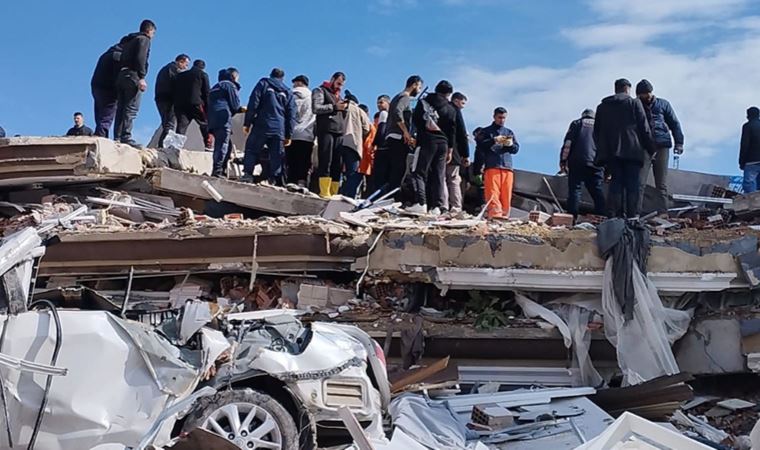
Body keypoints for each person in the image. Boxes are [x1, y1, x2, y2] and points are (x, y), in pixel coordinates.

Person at [593, 78, 655, 218]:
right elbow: (644, 128)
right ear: (628, 89)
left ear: (616, 89)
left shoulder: (602, 107)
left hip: (612, 153)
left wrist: (602, 150)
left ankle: (615, 216)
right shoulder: (634, 103)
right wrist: (651, 149)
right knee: (632, 185)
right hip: (633, 151)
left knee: (616, 184)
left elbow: (596, 132)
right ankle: (632, 217)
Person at [407, 80, 458, 215]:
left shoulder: (424, 102)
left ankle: (421, 203)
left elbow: (416, 120)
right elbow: (452, 130)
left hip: (426, 141)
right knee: (438, 175)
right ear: (449, 94)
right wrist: (450, 149)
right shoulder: (452, 108)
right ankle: (436, 206)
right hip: (444, 144)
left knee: (418, 171)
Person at [635, 79, 685, 214]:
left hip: (662, 145)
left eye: (647, 94)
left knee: (661, 184)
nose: (646, 97)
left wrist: (679, 142)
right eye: (643, 95)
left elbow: (674, 123)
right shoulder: (635, 105)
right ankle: (636, 213)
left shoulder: (663, 104)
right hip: (643, 146)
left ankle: (663, 213)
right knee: (640, 182)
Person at [242, 68, 297, 185]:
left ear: (271, 75)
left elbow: (253, 103)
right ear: (282, 78)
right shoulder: (288, 92)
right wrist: (288, 134)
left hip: (262, 125)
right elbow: (291, 114)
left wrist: (247, 123)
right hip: (279, 129)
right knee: (276, 155)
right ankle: (272, 180)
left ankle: (247, 175)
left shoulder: (263, 83)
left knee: (252, 150)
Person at [371, 76, 423, 198]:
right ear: (414, 84)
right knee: (398, 170)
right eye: (419, 87)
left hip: (393, 137)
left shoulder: (396, 97)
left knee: (395, 169)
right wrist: (405, 132)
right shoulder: (404, 97)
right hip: (398, 138)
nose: (419, 90)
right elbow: (397, 113)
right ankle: (392, 198)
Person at [114, 19, 156, 146]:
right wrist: (142, 77)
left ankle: (117, 136)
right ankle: (126, 136)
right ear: (149, 31)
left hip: (122, 75)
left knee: (121, 107)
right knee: (131, 107)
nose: (153, 36)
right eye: (153, 33)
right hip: (133, 75)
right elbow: (141, 58)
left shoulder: (129, 41)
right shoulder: (144, 40)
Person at [474, 107, 520, 219]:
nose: (502, 120)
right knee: (493, 193)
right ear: (494, 117)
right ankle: (495, 215)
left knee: (506, 194)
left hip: (507, 167)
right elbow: (480, 146)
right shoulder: (486, 131)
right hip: (492, 166)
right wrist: (494, 140)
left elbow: (516, 149)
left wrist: (509, 144)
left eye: (504, 118)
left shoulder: (509, 132)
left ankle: (504, 216)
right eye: (500, 117)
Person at [559, 109, 606, 217]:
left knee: (575, 190)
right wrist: (607, 169)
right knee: (597, 190)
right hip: (596, 163)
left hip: (577, 162)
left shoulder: (577, 123)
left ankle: (572, 217)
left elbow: (568, 144)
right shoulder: (601, 126)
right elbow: (606, 147)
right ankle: (602, 216)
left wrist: (563, 160)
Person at [91, 32, 138, 138]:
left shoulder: (107, 53)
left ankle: (100, 134)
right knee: (106, 116)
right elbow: (118, 75)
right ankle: (101, 137)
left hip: (97, 86)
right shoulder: (117, 56)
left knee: (100, 114)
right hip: (108, 89)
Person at [313, 72, 348, 197]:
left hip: (339, 131)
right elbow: (316, 108)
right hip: (326, 130)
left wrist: (344, 108)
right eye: (338, 83)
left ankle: (334, 192)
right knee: (325, 160)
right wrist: (334, 107)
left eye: (342, 85)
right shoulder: (320, 90)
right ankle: (324, 191)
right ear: (332, 79)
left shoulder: (339, 96)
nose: (339, 87)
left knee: (337, 163)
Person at [208, 68, 243, 177]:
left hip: (212, 119)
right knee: (222, 144)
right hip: (223, 118)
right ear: (233, 77)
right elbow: (235, 105)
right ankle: (217, 171)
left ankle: (220, 169)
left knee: (226, 146)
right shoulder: (229, 85)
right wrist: (242, 110)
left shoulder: (214, 87)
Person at [338, 94, 371, 198]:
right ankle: (348, 197)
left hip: (338, 143)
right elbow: (367, 129)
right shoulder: (360, 111)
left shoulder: (339, 108)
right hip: (353, 144)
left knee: (336, 171)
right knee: (352, 173)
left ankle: (335, 193)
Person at [154, 54, 190, 147]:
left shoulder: (167, 68)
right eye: (186, 65)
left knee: (167, 124)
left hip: (162, 98)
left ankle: (162, 145)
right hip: (167, 100)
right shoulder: (172, 69)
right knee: (169, 125)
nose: (186, 68)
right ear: (180, 62)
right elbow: (177, 82)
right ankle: (163, 146)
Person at [174, 59, 211, 148]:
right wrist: (208, 108)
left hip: (181, 105)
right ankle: (208, 146)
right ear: (203, 68)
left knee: (181, 127)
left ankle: (175, 147)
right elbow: (206, 92)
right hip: (196, 104)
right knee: (204, 124)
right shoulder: (202, 74)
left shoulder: (180, 75)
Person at [287, 75, 315, 186]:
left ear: (298, 83)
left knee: (290, 161)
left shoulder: (289, 94)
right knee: (303, 161)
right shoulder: (313, 96)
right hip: (306, 134)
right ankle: (301, 183)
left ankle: (289, 182)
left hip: (291, 133)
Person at [446, 92, 470, 212]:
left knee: (441, 178)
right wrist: (466, 154)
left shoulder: (442, 109)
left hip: (438, 149)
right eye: (462, 103)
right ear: (456, 100)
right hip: (454, 151)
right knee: (454, 179)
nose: (463, 106)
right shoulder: (455, 111)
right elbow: (461, 134)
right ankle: (456, 206)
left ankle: (442, 205)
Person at [740, 107, 760, 193]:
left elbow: (744, 145)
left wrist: (741, 162)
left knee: (750, 186)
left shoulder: (747, 126)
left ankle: (751, 205)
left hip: (752, 161)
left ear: (748, 116)